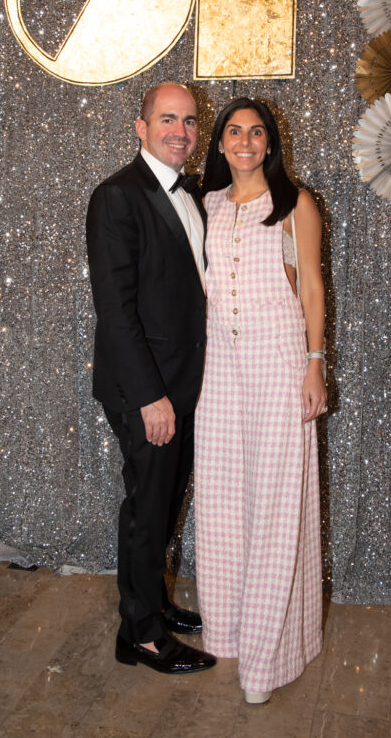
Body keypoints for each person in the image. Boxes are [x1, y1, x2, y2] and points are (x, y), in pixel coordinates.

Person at [194, 97, 326, 703]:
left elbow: (314, 289)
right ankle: (226, 631)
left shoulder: (295, 204)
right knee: (222, 497)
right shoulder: (207, 204)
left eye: (256, 132)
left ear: (271, 143)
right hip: (218, 366)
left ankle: (270, 655)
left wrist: (314, 365)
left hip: (279, 360)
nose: (245, 140)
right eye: (233, 131)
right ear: (219, 142)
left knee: (275, 500)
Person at [86, 82, 216, 675]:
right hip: (148, 390)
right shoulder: (117, 196)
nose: (180, 132)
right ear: (140, 127)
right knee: (147, 507)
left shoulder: (193, 194)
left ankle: (152, 605)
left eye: (189, 121)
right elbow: (116, 311)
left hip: (184, 384)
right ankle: (141, 634)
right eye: (167, 119)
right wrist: (150, 398)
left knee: (162, 505)